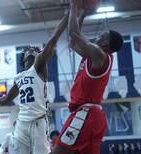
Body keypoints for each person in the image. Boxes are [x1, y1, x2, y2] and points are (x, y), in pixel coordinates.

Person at [0, 13, 69, 154]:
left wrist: (68, 14)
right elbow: (5, 99)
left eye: (35, 49)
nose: (32, 50)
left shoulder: (39, 67)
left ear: (38, 54)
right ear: (22, 58)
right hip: (22, 122)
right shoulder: (18, 77)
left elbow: (53, 40)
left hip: (38, 122)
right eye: (28, 49)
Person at [52, 0, 124, 154]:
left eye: (102, 35)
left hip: (86, 114)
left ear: (106, 42)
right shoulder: (94, 56)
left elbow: (74, 33)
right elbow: (73, 43)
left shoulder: (100, 54)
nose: (98, 36)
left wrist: (74, 5)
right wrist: (82, 14)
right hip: (94, 117)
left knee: (58, 151)